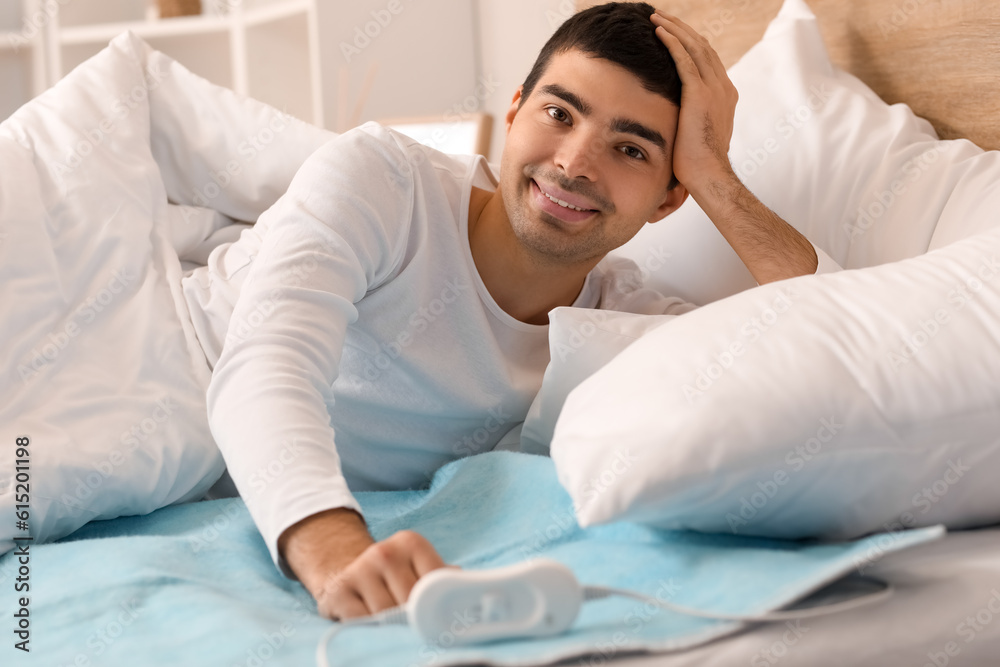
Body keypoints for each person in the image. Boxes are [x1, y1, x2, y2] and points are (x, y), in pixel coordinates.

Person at [187, 2, 828, 622]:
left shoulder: (624, 325)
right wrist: (335, 553)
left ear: (669, 198)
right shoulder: (385, 182)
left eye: (631, 150)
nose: (574, 164)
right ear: (515, 111)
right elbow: (267, 366)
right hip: (158, 373)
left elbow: (829, 344)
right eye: (558, 113)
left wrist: (714, 174)